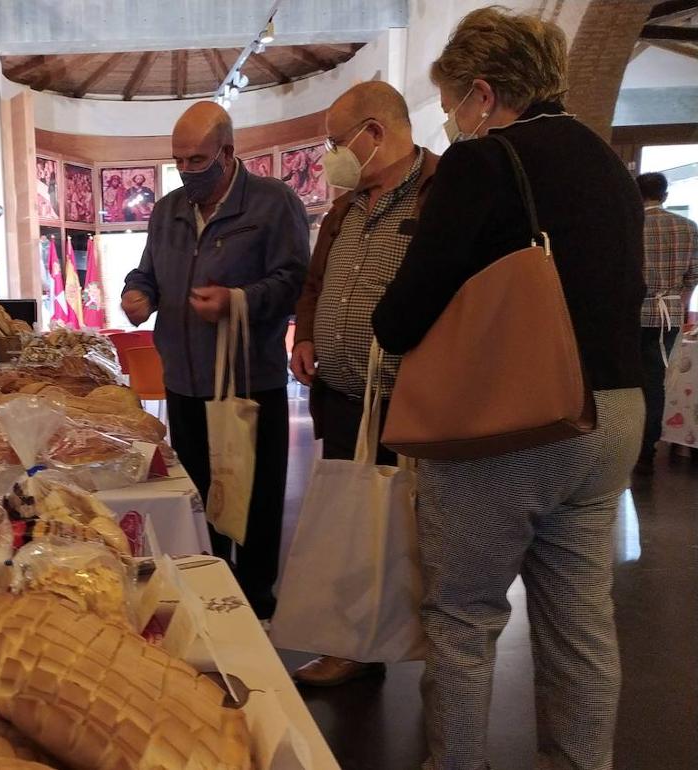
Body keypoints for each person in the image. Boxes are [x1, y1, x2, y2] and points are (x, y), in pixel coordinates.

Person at [371, 9, 645, 770]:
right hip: (614, 415)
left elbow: (406, 312)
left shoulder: (482, 163)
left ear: (484, 94)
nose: (454, 119)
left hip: (518, 420)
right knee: (582, 624)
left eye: (455, 101)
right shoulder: (605, 162)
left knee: (463, 619)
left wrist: (389, 311)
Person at [122, 101, 309, 619]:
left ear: (228, 153)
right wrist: (138, 295)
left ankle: (252, 608)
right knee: (199, 497)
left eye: (197, 159)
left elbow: (295, 281)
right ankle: (209, 597)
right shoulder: (168, 209)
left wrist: (238, 300)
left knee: (252, 502)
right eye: (178, 159)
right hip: (183, 381)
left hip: (248, 381)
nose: (186, 170)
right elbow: (147, 273)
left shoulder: (273, 203)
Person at [290, 81, 441, 687]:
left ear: (374, 134)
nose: (332, 155)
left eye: (336, 141)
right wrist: (305, 336)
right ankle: (352, 644)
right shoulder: (347, 205)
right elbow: (315, 282)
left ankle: (426, 644)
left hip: (415, 401)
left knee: (416, 525)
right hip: (348, 396)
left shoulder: (443, 192)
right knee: (353, 521)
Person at [635, 172, 698, 475]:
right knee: (654, 381)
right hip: (668, 315)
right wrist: (680, 305)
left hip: (633, 312)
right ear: (665, 195)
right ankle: (648, 450)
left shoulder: (631, 225)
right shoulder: (688, 227)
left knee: (626, 381)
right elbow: (693, 276)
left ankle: (623, 446)